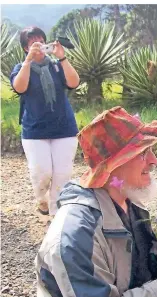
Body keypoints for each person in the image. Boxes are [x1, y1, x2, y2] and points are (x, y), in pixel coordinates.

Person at [35, 106, 157, 297]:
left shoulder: (129, 204)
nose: (154, 160)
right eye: (143, 153)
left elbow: (138, 272)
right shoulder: (77, 234)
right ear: (113, 166)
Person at [10, 26, 80, 216]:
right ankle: (41, 200)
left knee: (62, 175)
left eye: (41, 39)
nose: (39, 44)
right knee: (42, 174)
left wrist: (62, 57)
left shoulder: (57, 65)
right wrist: (28, 61)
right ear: (26, 47)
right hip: (34, 131)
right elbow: (20, 88)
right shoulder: (20, 68)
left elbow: (74, 82)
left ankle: (57, 217)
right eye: (33, 41)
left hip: (64, 128)